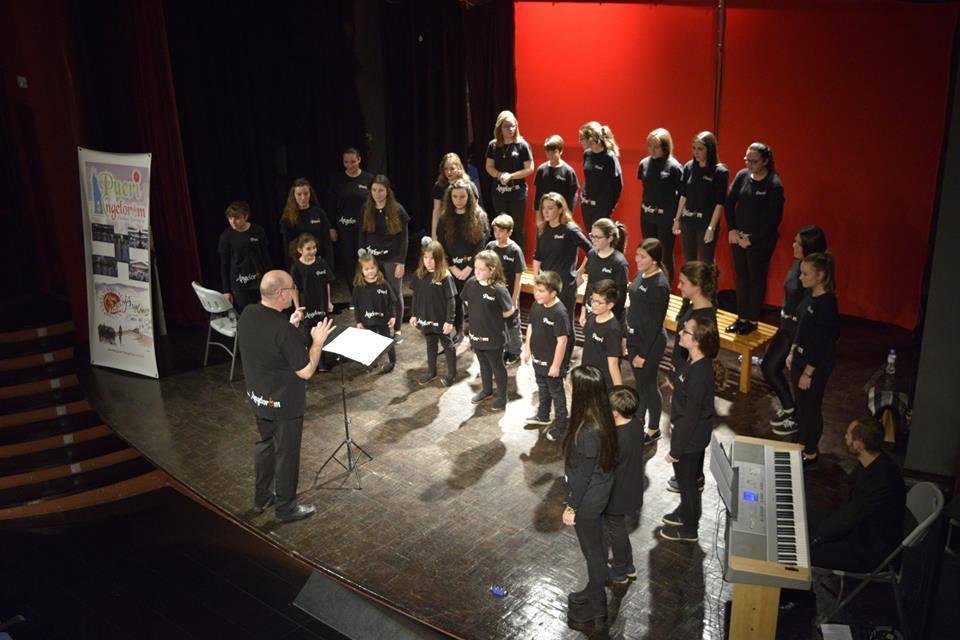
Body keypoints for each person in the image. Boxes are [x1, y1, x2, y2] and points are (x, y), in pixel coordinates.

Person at [237, 270, 335, 523]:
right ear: (282, 294)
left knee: (267, 446)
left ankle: (262, 498)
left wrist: (289, 327)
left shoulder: (248, 313)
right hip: (283, 404)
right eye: (292, 288)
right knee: (286, 454)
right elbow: (306, 371)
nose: (294, 292)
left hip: (258, 399)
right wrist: (318, 341)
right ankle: (286, 508)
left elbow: (267, 343)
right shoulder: (282, 331)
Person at [808, 417, 906, 571]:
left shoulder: (881, 480)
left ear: (858, 445)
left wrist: (817, 537)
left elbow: (852, 515)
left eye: (848, 434)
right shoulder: (873, 462)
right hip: (861, 529)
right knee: (804, 515)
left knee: (805, 553)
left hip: (870, 549)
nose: (845, 436)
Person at [562, 365, 618, 625]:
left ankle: (598, 605)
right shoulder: (599, 415)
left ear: (581, 390)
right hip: (597, 491)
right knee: (593, 548)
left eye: (569, 381)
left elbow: (583, 475)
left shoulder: (587, 430)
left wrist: (571, 506)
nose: (565, 382)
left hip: (587, 500)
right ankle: (592, 589)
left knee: (593, 552)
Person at [660, 316, 721, 542]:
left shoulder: (700, 372)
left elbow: (692, 416)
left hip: (690, 437)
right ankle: (686, 515)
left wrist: (676, 450)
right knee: (685, 481)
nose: (681, 334)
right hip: (687, 432)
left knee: (687, 484)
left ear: (697, 341)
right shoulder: (692, 362)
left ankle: (689, 530)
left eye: (685, 332)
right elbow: (683, 383)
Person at [763, 225, 828, 431]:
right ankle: (790, 408)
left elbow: (807, 311)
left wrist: (794, 346)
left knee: (773, 368)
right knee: (769, 367)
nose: (793, 245)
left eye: (799, 243)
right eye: (794, 241)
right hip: (786, 325)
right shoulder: (798, 265)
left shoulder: (810, 276)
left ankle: (795, 417)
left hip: (795, 331)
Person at [785, 251, 840, 466]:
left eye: (805, 274)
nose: (800, 277)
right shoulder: (810, 295)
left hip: (814, 365)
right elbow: (801, 327)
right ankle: (801, 442)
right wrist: (792, 351)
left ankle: (810, 452)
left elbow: (823, 342)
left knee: (811, 407)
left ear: (820, 275)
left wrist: (808, 372)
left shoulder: (827, 305)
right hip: (800, 358)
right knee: (802, 405)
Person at [725, 141, 785, 335]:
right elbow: (729, 203)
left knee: (755, 279)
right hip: (739, 236)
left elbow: (773, 219)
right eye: (746, 160)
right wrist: (732, 230)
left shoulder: (773, 184)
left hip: (759, 240)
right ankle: (741, 317)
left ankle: (751, 320)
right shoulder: (742, 176)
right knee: (741, 278)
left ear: (765, 161)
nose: (749, 164)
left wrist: (752, 239)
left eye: (754, 161)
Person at [533, 192, 591, 358]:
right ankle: (552, 355)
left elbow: (591, 251)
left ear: (560, 209)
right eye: (544, 208)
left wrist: (580, 273)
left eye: (550, 208)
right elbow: (538, 256)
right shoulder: (542, 229)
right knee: (548, 322)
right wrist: (537, 281)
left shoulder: (570, 230)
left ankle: (564, 361)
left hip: (565, 285)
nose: (546, 211)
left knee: (565, 325)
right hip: (546, 285)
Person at [624, 238, 670, 445]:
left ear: (655, 260)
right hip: (635, 338)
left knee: (649, 387)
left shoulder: (659, 285)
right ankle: (639, 423)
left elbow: (654, 324)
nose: (637, 259)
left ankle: (653, 429)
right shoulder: (641, 274)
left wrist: (643, 353)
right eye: (637, 255)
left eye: (642, 256)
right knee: (641, 386)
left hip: (648, 344)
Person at [437, 178, 490, 345]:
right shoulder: (445, 218)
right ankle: (459, 330)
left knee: (475, 301)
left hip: (473, 268)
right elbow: (441, 244)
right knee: (456, 299)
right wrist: (452, 266)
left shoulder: (479, 216)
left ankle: (477, 332)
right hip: (453, 267)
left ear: (469, 196)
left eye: (462, 196)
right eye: (455, 197)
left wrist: (469, 267)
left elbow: (481, 244)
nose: (458, 200)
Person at [358, 174, 409, 344]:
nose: (377, 193)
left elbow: (404, 239)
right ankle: (377, 326)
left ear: (387, 191)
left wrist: (401, 262)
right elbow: (362, 234)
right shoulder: (366, 209)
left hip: (392, 259)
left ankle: (398, 330)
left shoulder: (397, 209)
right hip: (372, 260)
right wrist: (362, 256)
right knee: (373, 292)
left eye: (381, 190)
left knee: (394, 293)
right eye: (374, 190)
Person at [603, 385, 646, 584]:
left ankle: (620, 571)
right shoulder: (636, 424)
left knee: (616, 530)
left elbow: (607, 465)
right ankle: (627, 564)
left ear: (615, 414)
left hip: (618, 492)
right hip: (631, 486)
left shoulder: (619, 438)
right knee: (619, 528)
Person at [461, 250, 514, 410]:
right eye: (475, 268)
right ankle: (487, 390)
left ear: (492, 269)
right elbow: (467, 301)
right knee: (483, 363)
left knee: (497, 366)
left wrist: (491, 321)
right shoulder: (471, 283)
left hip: (494, 337)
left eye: (481, 269)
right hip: (476, 333)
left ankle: (502, 396)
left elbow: (509, 311)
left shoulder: (498, 289)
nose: (477, 272)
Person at [522, 271, 570, 441]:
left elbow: (562, 341)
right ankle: (543, 415)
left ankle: (561, 425)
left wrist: (556, 365)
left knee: (557, 394)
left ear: (553, 293)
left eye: (541, 291)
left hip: (552, 363)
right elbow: (531, 326)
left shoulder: (560, 313)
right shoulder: (537, 305)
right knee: (542, 388)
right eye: (536, 290)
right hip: (538, 358)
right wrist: (527, 349)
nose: (536, 294)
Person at [672, 131, 728, 264]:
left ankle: (708, 285)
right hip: (688, 221)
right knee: (688, 261)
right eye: (694, 148)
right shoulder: (689, 167)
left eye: (700, 149)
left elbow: (720, 203)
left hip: (706, 222)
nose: (696, 152)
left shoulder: (719, 171)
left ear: (710, 150)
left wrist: (711, 228)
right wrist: (677, 218)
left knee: (706, 262)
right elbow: (683, 196)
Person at [409, 238, 458, 386]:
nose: (428, 261)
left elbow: (451, 300)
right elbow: (416, 296)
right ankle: (431, 371)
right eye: (425, 257)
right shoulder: (419, 275)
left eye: (432, 258)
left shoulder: (445, 276)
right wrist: (413, 314)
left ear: (439, 259)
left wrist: (449, 321)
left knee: (447, 345)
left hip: (441, 319)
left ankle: (452, 374)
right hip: (425, 317)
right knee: (430, 344)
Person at [638, 128, 683, 281]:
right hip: (647, 214)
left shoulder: (674, 167)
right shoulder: (644, 163)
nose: (652, 149)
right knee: (648, 250)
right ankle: (648, 284)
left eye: (656, 146)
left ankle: (666, 288)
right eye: (650, 145)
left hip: (666, 217)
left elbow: (682, 194)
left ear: (665, 147)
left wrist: (677, 218)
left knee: (664, 254)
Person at [485, 110, 534, 248]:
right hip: (499, 192)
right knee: (501, 225)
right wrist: (499, 175)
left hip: (517, 194)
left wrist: (511, 176)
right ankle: (501, 256)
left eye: (513, 126)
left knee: (517, 227)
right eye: (507, 126)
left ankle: (518, 260)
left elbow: (529, 168)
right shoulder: (493, 145)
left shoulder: (522, 145)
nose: (511, 129)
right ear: (500, 127)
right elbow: (489, 167)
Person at [327, 147, 374, 289]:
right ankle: (354, 293)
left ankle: (368, 289)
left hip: (363, 227)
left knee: (365, 259)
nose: (350, 165)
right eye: (346, 162)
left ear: (359, 160)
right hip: (344, 227)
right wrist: (332, 227)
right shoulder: (337, 180)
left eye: (353, 161)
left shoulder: (368, 179)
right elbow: (331, 204)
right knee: (349, 260)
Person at [486, 214, 526, 366]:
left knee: (512, 324)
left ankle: (515, 350)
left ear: (509, 232)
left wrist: (514, 298)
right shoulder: (490, 247)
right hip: (493, 293)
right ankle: (503, 347)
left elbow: (518, 276)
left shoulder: (514, 250)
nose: (497, 234)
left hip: (509, 295)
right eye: (495, 230)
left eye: (501, 231)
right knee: (497, 322)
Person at [218, 200, 271, 313]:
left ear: (246, 217)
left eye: (237, 218)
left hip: (258, 281)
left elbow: (265, 258)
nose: (233, 221)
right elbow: (224, 265)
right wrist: (226, 291)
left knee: (262, 312)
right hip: (239, 284)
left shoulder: (257, 231)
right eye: (230, 218)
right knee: (244, 314)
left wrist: (269, 279)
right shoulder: (226, 236)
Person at [351, 251, 399, 374]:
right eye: (366, 269)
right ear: (361, 270)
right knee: (371, 342)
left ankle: (392, 361)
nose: (370, 271)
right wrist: (359, 321)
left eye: (372, 268)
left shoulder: (383, 284)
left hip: (383, 320)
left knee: (387, 340)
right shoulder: (358, 286)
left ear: (377, 267)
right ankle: (373, 361)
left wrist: (393, 316)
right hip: (367, 321)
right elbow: (356, 305)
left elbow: (391, 301)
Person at [578, 217, 629, 325]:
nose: (593, 240)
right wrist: (583, 309)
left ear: (610, 238)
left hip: (607, 315)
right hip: (591, 310)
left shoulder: (619, 262)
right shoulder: (591, 254)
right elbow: (590, 284)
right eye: (592, 236)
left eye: (598, 237)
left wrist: (609, 318)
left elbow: (620, 298)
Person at [280, 177, 335, 270]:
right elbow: (287, 247)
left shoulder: (319, 213)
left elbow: (327, 243)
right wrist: (291, 269)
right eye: (299, 194)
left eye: (306, 194)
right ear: (293, 195)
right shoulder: (288, 217)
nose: (303, 198)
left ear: (310, 194)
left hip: (319, 261)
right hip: (299, 265)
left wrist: (329, 266)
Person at [578, 121, 622, 230]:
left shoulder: (609, 157)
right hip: (587, 204)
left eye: (582, 138)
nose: (579, 142)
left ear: (591, 139)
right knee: (590, 236)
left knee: (599, 235)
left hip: (602, 206)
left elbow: (618, 185)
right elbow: (589, 179)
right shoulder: (587, 154)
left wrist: (609, 206)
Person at [580, 279, 623, 387]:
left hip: (601, 381)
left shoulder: (613, 329)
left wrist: (618, 390)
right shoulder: (591, 316)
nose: (594, 304)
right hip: (587, 375)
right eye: (592, 300)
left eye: (598, 302)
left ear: (610, 305)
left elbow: (613, 364)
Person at [288, 234, 334, 329]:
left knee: (325, 328)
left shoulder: (321, 263)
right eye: (308, 249)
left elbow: (327, 283)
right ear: (300, 250)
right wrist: (298, 309)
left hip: (321, 303)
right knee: (308, 331)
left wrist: (329, 301)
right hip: (306, 305)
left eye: (314, 248)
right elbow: (294, 289)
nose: (312, 251)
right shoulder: (296, 267)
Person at [430, 152, 478, 239]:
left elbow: (475, 210)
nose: (449, 172)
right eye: (446, 169)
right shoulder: (439, 186)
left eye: (452, 169)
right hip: (446, 226)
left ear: (459, 168)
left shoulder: (468, 185)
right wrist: (434, 234)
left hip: (464, 225)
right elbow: (436, 210)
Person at [533, 134, 579, 222]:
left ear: (560, 151)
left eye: (554, 152)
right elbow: (538, 194)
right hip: (545, 213)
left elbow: (573, 196)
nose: (550, 156)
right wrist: (538, 215)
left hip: (561, 214)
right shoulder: (542, 169)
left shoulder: (568, 171)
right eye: (548, 152)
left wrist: (568, 213)